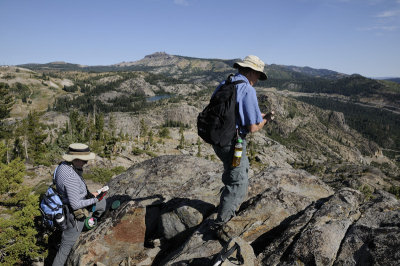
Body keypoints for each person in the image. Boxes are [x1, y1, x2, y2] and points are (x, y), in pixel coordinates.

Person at [212, 55, 274, 235]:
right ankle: (222, 225)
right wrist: (267, 120)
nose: (257, 81)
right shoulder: (247, 89)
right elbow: (253, 127)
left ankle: (226, 209)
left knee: (233, 174)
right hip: (234, 142)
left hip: (219, 139)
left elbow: (233, 113)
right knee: (238, 181)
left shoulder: (227, 83)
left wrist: (257, 116)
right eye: (257, 76)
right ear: (251, 72)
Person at [52, 143, 107, 266]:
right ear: (75, 159)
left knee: (102, 204)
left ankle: (89, 222)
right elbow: (76, 204)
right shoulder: (71, 177)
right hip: (73, 214)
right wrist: (96, 199)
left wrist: (91, 195)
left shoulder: (62, 166)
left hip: (70, 202)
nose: (86, 162)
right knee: (65, 249)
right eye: (84, 160)